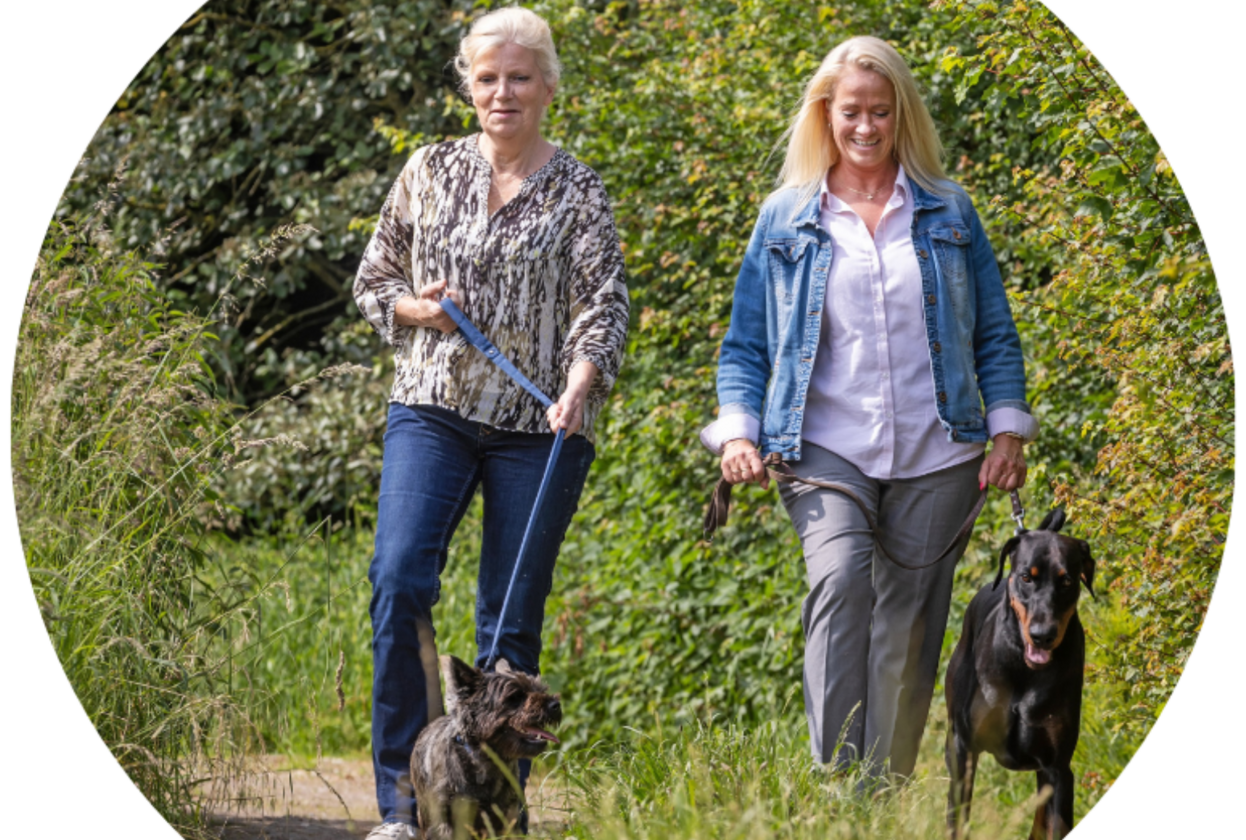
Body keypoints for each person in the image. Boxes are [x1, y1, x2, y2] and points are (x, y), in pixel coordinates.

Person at [701, 35, 1034, 781]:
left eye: (880, 113)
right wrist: (737, 432)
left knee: (910, 627)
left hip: (940, 448)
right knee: (840, 582)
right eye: (851, 111)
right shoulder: (785, 217)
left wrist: (1008, 426)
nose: (865, 127)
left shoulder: (949, 210)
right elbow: (746, 344)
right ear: (826, 112)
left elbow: (994, 331)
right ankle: (834, 781)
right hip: (823, 449)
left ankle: (882, 795)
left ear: (901, 115)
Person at [352, 8, 629, 837]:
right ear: (467, 87)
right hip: (431, 409)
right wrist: (418, 309)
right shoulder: (428, 169)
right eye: (486, 78)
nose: (501, 92)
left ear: (547, 87)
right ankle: (405, 809)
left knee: (508, 628)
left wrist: (582, 382)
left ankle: (494, 812)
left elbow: (604, 305)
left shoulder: (579, 188)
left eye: (518, 77)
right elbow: (373, 284)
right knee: (400, 582)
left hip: (539, 428)